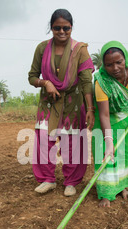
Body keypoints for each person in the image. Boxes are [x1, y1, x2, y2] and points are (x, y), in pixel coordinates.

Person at [28, 9, 95, 197]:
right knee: (44, 140)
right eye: (57, 27)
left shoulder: (79, 49)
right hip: (48, 102)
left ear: (71, 28)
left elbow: (86, 80)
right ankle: (47, 180)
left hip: (73, 102)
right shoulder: (42, 48)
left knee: (72, 142)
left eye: (66, 28)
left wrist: (90, 108)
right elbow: (32, 76)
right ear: (51, 28)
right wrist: (45, 82)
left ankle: (71, 182)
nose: (62, 31)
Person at [91, 41, 128, 207]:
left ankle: (122, 186)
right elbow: (104, 114)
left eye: (119, 62)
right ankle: (106, 193)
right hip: (107, 118)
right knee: (104, 152)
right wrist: (108, 141)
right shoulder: (101, 82)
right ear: (103, 65)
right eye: (109, 65)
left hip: (127, 114)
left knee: (124, 151)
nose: (115, 68)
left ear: (125, 59)